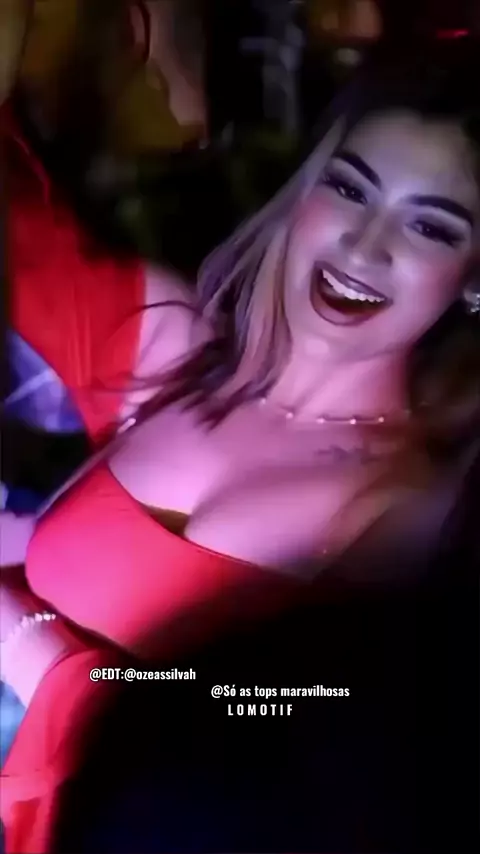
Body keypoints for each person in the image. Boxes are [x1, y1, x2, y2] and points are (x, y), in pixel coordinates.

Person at [1, 42, 480, 852]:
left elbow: (282, 726)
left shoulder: (411, 507)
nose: (365, 247)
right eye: (349, 188)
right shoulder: (171, 351)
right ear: (305, 195)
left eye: (429, 226)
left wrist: (28, 642)